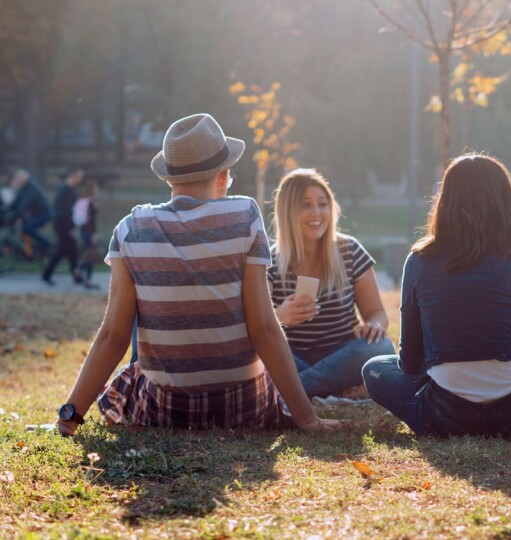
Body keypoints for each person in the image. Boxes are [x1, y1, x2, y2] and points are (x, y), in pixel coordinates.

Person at [55, 113, 342, 435]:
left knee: (139, 344)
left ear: (169, 179)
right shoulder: (244, 215)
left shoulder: (131, 227)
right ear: (223, 174)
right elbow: (263, 326)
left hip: (166, 410)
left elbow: (113, 336)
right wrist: (307, 419)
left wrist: (68, 418)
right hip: (243, 405)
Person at [361, 153, 511, 437]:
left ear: (446, 201)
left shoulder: (419, 261)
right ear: (505, 202)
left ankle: (430, 412)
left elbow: (410, 363)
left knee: (375, 368)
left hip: (444, 414)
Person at [268, 168, 394, 399]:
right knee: (260, 355)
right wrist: (280, 316)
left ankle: (292, 391)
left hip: (344, 353)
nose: (317, 213)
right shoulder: (269, 262)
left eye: (322, 204)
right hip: (293, 357)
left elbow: (377, 313)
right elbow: (258, 329)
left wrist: (374, 325)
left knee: (381, 347)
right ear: (287, 211)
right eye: (305, 205)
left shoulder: (350, 250)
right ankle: (334, 389)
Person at [41, 168, 85, 286]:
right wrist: (71, 227)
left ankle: (76, 276)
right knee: (63, 250)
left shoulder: (65, 189)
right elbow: (65, 211)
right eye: (79, 176)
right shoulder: (67, 190)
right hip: (64, 224)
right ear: (73, 175)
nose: (80, 179)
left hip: (62, 223)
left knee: (71, 250)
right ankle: (47, 274)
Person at [6, 168, 53, 256]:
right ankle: (29, 251)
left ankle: (47, 245)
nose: (17, 181)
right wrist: (7, 211)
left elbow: (23, 206)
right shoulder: (23, 187)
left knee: (27, 228)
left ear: (24, 179)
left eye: (18, 179)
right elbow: (16, 203)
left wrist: (14, 216)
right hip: (36, 213)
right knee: (24, 228)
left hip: (44, 213)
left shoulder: (31, 188)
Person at [73, 179, 100, 289]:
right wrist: (94, 233)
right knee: (90, 256)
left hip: (83, 231)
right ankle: (85, 276)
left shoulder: (82, 201)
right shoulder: (90, 203)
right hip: (89, 232)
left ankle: (80, 271)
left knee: (88, 255)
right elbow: (91, 220)